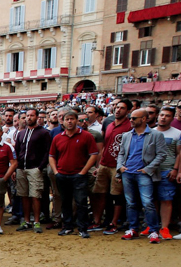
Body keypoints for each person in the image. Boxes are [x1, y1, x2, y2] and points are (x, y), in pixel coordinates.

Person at [117, 109, 167, 243]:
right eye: (131, 118)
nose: (131, 120)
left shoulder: (156, 135)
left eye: (134, 118)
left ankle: (154, 231)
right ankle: (133, 229)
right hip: (128, 172)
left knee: (148, 203)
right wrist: (120, 167)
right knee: (131, 203)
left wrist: (148, 169)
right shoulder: (127, 135)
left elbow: (162, 154)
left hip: (144, 173)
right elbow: (121, 153)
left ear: (144, 119)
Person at [48, 109, 98, 238]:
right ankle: (68, 226)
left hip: (79, 175)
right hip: (62, 174)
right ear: (63, 122)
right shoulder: (58, 138)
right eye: (67, 119)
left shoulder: (86, 136)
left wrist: (83, 172)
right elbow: (52, 156)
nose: (69, 121)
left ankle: (82, 228)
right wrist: (56, 172)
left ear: (76, 120)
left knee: (81, 202)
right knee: (65, 201)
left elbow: (93, 155)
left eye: (72, 119)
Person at [93, 100, 133, 235]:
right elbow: (105, 145)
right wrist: (99, 165)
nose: (118, 110)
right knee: (100, 193)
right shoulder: (109, 125)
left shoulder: (129, 126)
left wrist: (123, 167)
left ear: (128, 111)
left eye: (122, 108)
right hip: (105, 163)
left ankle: (114, 223)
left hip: (118, 165)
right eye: (116, 107)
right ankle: (97, 221)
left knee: (117, 196)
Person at [14, 109, 52, 233]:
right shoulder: (21, 133)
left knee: (35, 195)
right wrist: (17, 167)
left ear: (37, 117)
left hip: (35, 168)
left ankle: (36, 221)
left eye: (31, 116)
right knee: (24, 195)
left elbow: (47, 151)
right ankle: (27, 221)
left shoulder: (44, 133)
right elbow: (18, 150)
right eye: (27, 116)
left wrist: (40, 167)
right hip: (22, 168)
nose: (29, 118)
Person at [153, 107, 180, 241]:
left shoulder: (177, 133)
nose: (163, 118)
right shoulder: (150, 132)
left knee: (166, 199)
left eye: (167, 116)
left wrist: (176, 169)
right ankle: (152, 227)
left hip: (167, 170)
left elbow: (179, 153)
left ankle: (164, 227)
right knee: (152, 199)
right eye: (162, 115)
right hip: (151, 171)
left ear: (172, 118)